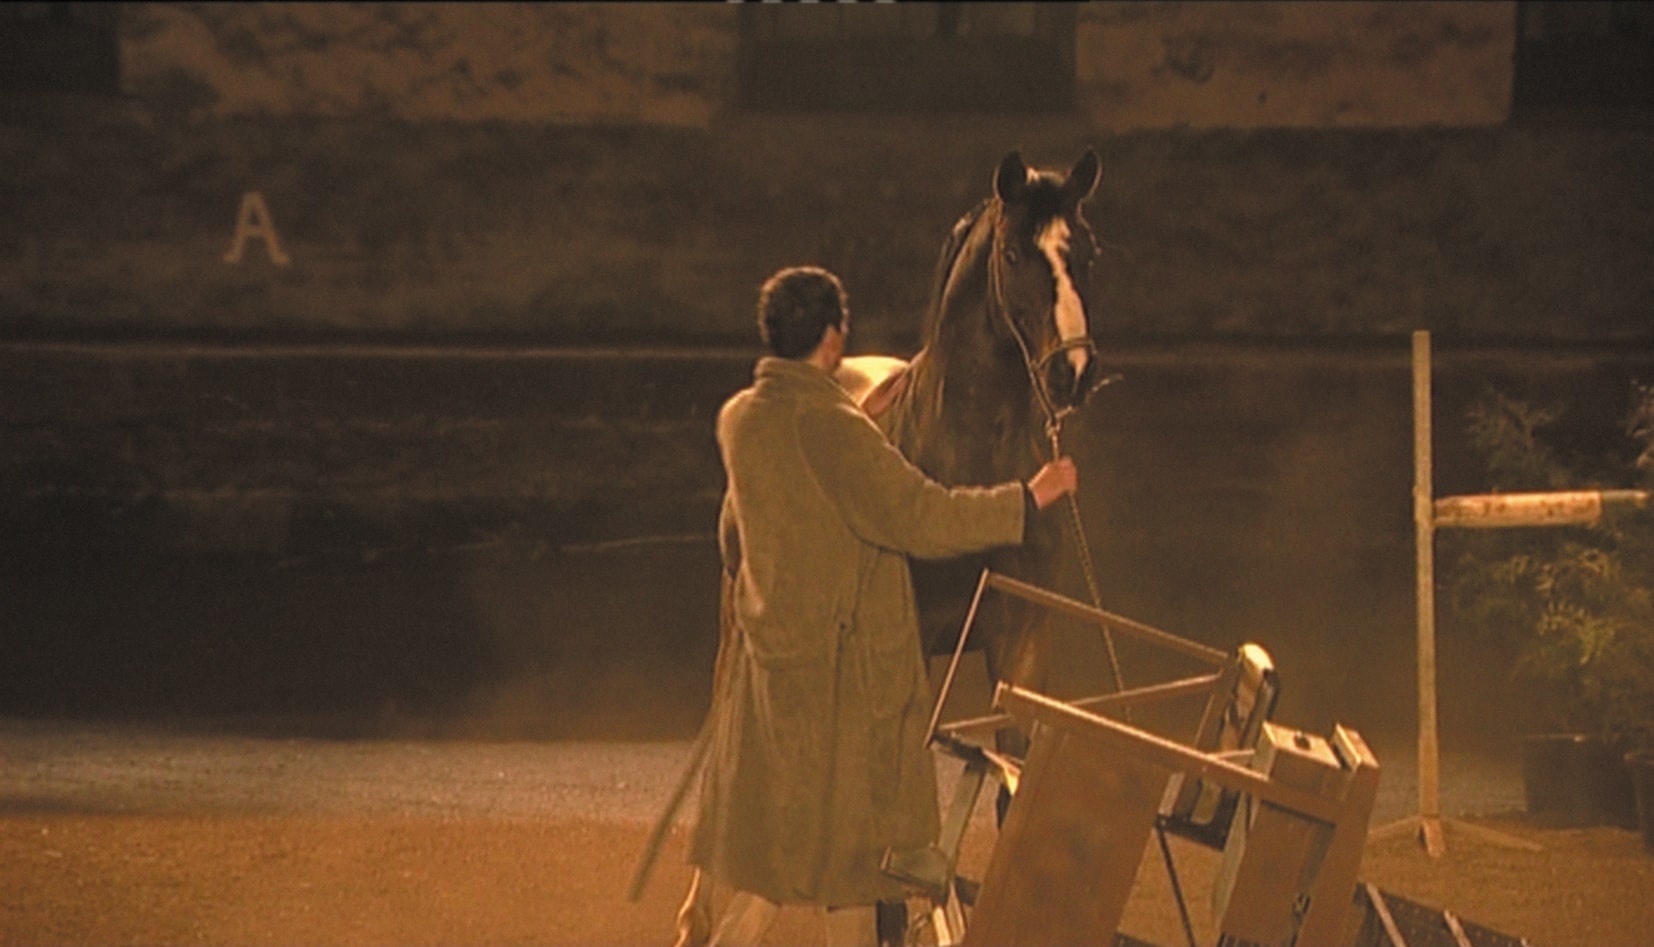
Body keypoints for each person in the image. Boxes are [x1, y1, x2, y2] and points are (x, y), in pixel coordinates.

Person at [675, 265, 1079, 947]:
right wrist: (1029, 497)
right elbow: (924, 516)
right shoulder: (834, 429)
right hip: (841, 691)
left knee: (839, 879)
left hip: (775, 673)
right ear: (835, 340)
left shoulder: (739, 418)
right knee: (813, 871)